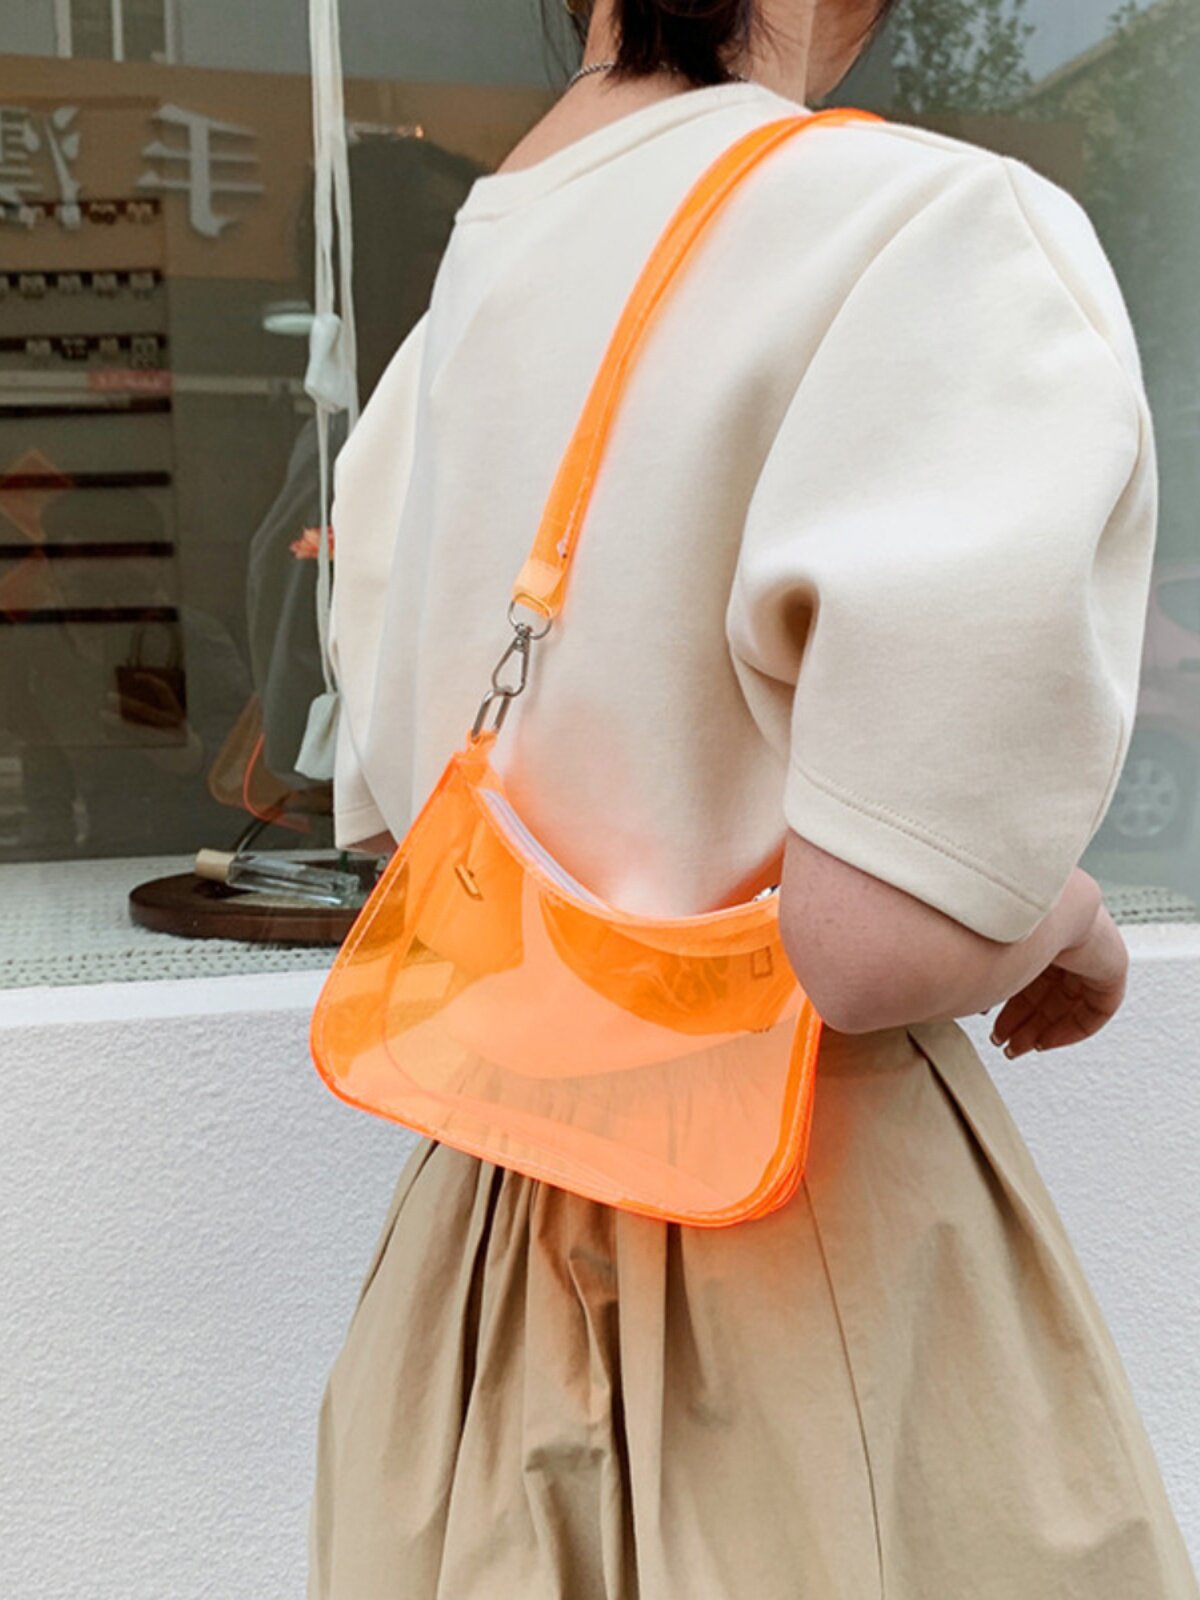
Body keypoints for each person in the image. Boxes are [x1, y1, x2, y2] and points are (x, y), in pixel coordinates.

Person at [306, 2, 1200, 1595]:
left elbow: (395, 827)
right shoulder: (925, 234)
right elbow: (874, 944)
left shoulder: (465, 295)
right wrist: (1066, 916)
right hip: (798, 1256)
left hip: (485, 1258)